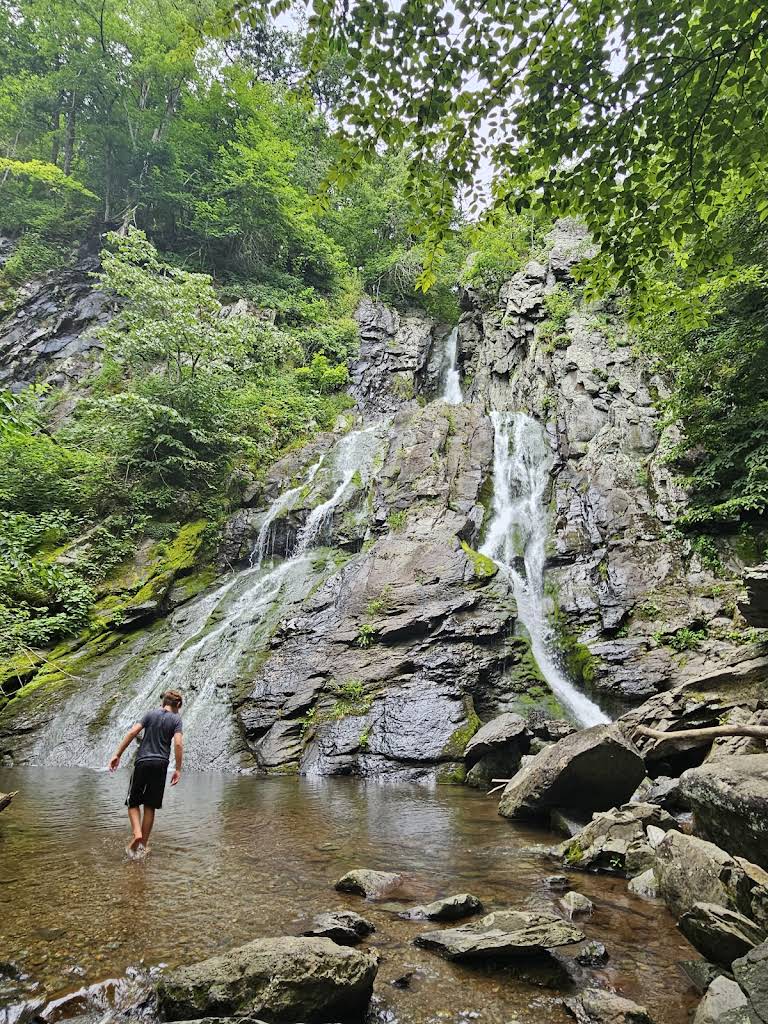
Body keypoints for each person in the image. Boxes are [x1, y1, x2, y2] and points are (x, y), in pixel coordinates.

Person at [108, 689, 184, 856]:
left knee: (133, 802)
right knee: (150, 806)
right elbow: (178, 744)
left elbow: (132, 732)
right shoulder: (177, 720)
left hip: (143, 761)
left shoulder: (150, 714)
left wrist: (117, 754)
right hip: (161, 765)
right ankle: (143, 845)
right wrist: (178, 769)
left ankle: (137, 834)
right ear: (177, 704)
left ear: (163, 702)